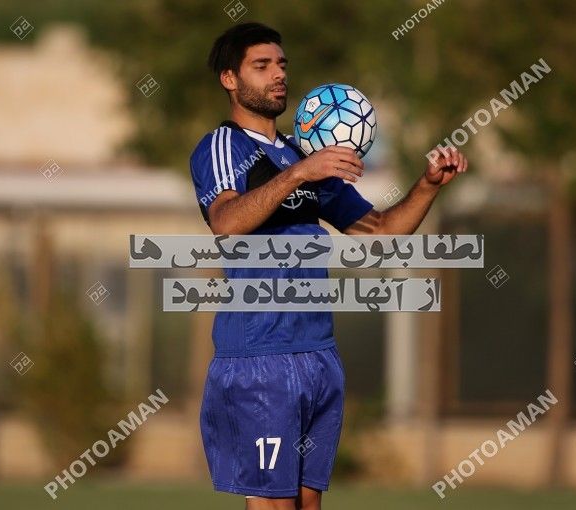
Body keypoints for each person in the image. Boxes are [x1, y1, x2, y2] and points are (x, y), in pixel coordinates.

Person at [189, 22, 467, 510]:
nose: (278, 75)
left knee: (307, 503)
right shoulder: (223, 146)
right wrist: (299, 173)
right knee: (273, 503)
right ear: (230, 79)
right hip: (260, 355)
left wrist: (427, 185)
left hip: (318, 352)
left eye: (281, 65)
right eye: (262, 66)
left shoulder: (304, 154)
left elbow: (380, 234)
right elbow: (226, 224)